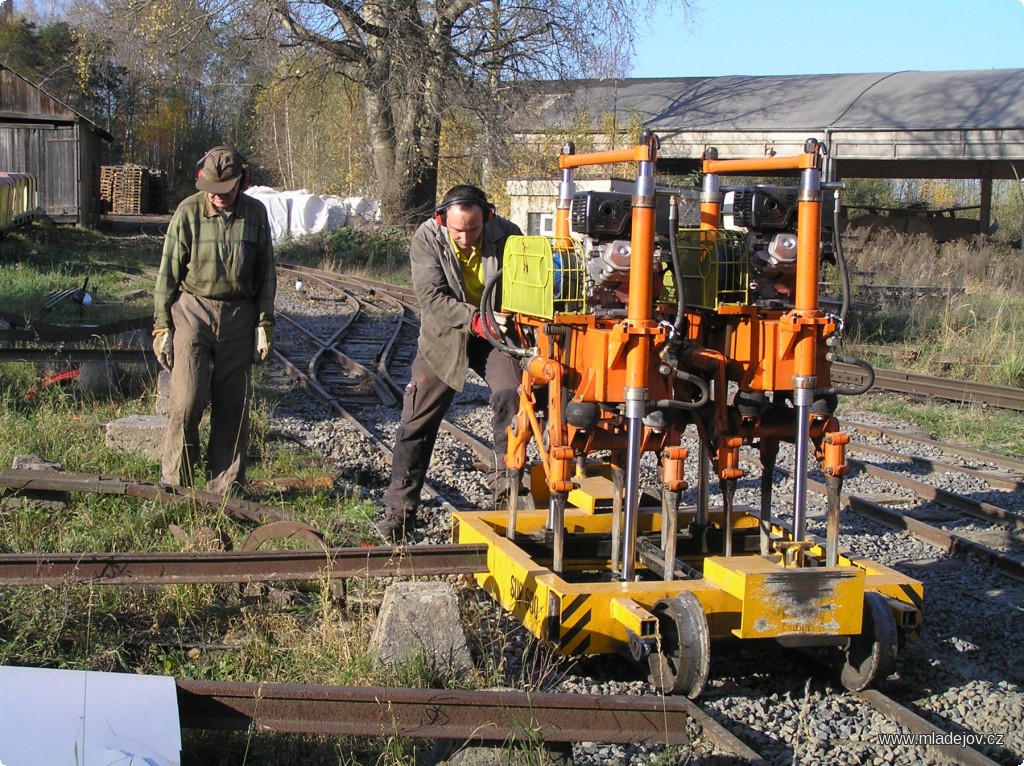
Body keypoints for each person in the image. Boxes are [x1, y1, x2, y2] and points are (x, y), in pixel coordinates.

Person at [377, 184, 522, 542]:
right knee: (416, 420)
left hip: (495, 337)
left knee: (512, 396)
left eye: (473, 229)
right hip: (444, 338)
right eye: (457, 230)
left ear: (487, 218)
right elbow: (431, 296)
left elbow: (527, 282)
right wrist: (475, 319)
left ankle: (508, 490)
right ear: (441, 220)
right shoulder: (426, 238)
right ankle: (400, 509)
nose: (465, 237)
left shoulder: (508, 236)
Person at [152, 146, 277, 496]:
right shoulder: (188, 212)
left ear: (241, 184)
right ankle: (177, 485)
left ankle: (224, 490)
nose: (218, 197)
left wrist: (265, 323)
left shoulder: (255, 214)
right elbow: (167, 274)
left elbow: (266, 274)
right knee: (187, 400)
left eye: (226, 190)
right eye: (212, 190)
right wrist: (162, 325)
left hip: (240, 315)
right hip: (193, 310)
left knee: (232, 405)